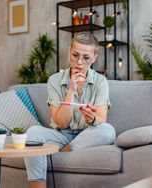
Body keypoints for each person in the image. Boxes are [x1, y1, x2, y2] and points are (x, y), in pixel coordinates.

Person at [24, 32, 116, 188]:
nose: (79, 62)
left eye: (86, 58)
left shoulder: (101, 81)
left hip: (86, 135)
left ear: (94, 58)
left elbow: (101, 120)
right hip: (60, 135)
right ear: (69, 52)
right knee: (32, 133)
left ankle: (63, 152)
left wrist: (93, 119)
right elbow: (60, 122)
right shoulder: (54, 80)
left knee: (107, 131)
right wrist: (71, 90)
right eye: (75, 55)